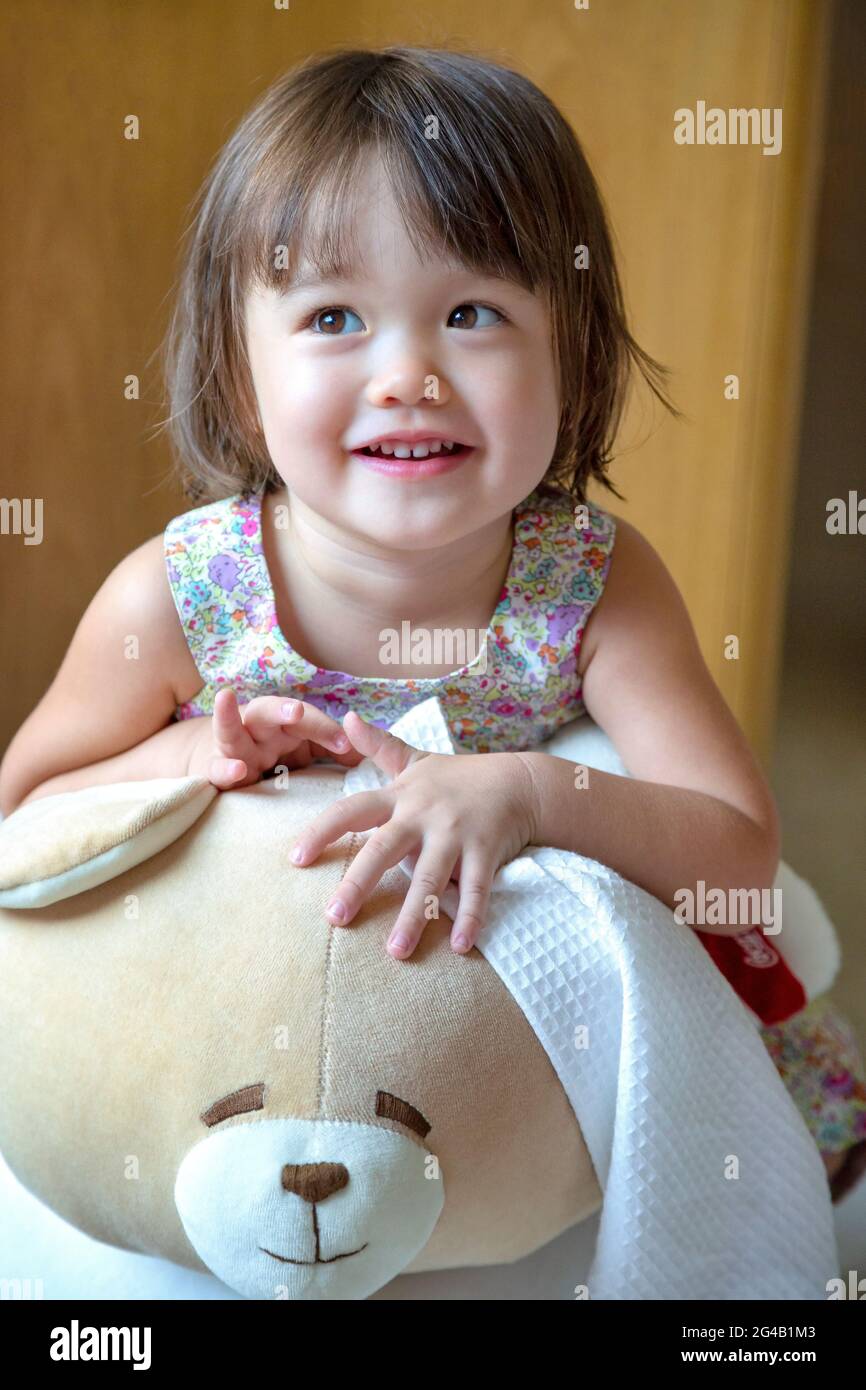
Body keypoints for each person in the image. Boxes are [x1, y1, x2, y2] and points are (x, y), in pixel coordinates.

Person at [2, 45, 863, 1202]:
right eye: (333, 316)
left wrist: (530, 792)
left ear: (572, 350)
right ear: (239, 373)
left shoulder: (591, 582)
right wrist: (193, 754)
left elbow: (734, 854)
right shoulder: (180, 592)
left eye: (470, 312)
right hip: (257, 1083)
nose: (407, 374)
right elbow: (28, 814)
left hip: (518, 1098)